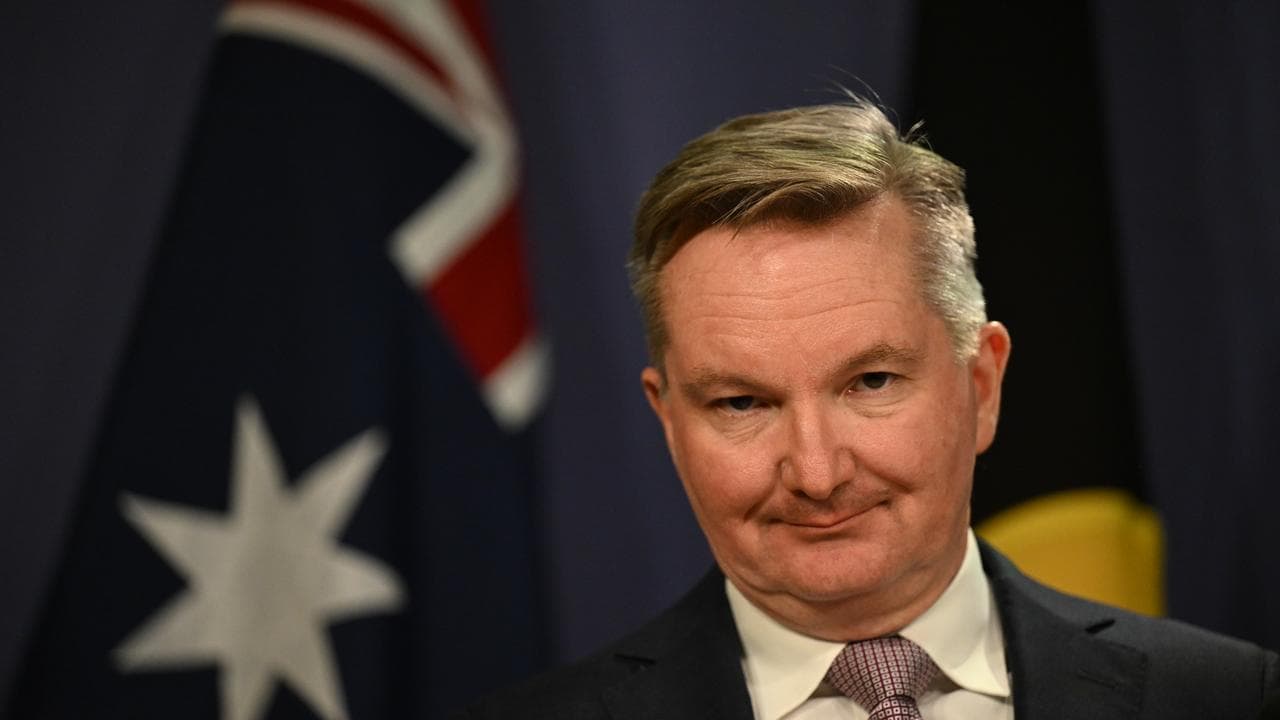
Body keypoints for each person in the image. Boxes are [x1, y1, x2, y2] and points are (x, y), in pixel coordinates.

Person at [457, 99, 1280, 719]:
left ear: (980, 386)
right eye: (742, 402)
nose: (816, 473)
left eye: (871, 383)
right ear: (669, 422)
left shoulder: (1230, 701)